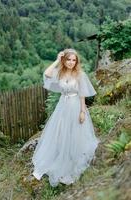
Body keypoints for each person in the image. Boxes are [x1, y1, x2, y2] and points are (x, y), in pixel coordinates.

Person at [32, 48, 100, 187]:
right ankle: (60, 155)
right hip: (63, 106)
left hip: (75, 106)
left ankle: (72, 158)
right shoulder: (60, 72)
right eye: (68, 59)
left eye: (74, 60)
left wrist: (82, 111)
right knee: (61, 131)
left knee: (75, 131)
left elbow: (82, 94)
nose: (71, 62)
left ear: (77, 62)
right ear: (65, 60)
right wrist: (57, 60)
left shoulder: (80, 74)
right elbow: (47, 73)